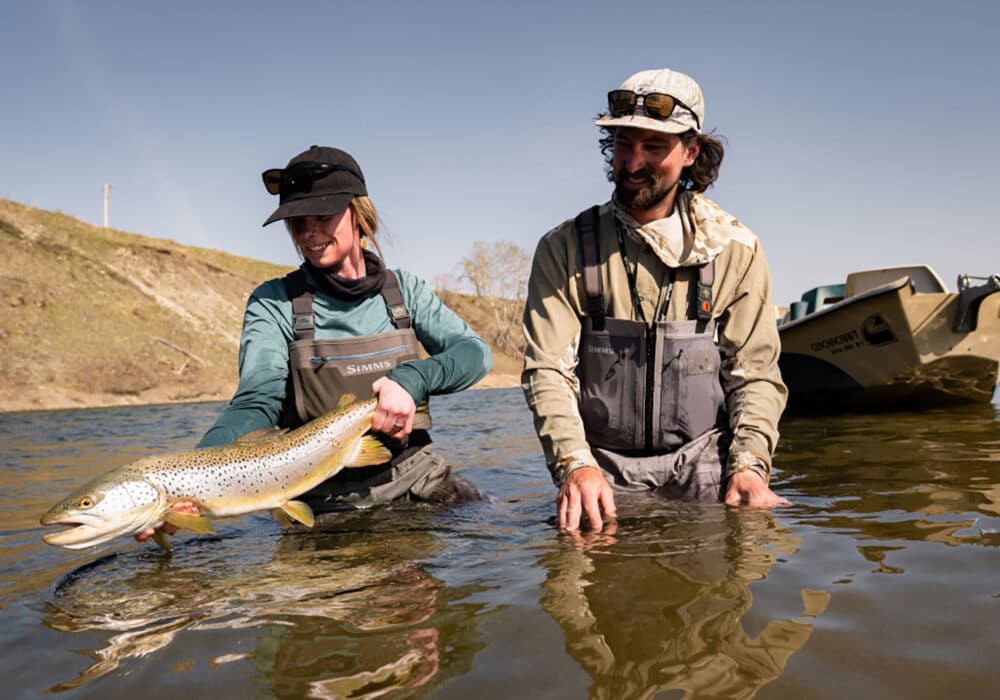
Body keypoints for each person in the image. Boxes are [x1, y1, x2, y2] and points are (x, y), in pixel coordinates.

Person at [140, 144, 491, 541]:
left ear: (358, 214)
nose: (308, 232)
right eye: (296, 220)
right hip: (320, 505)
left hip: (418, 480)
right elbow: (257, 401)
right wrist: (191, 477)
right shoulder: (273, 302)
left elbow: (474, 354)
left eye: (322, 216)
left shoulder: (404, 291)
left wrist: (411, 379)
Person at [521, 68, 790, 532]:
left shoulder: (735, 249)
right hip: (599, 470)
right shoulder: (563, 248)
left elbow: (755, 376)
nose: (631, 164)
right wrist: (574, 465)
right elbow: (548, 371)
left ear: (691, 152)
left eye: (654, 147)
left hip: (705, 468)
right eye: (624, 143)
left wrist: (750, 466)